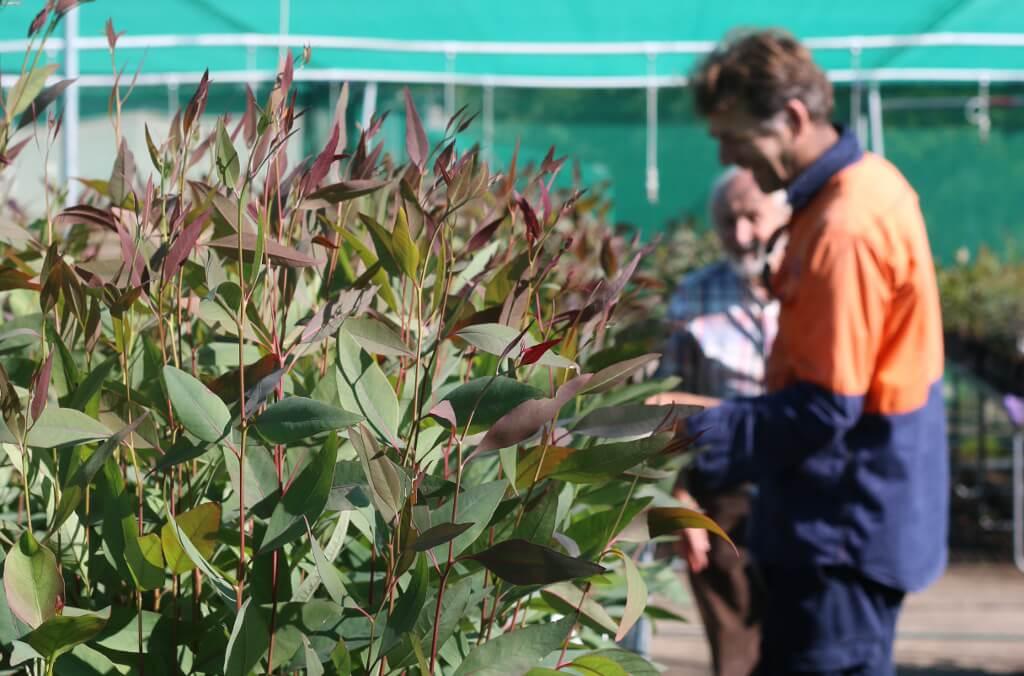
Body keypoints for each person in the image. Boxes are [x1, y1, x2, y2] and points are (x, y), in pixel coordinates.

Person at [675, 29, 949, 675]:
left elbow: (826, 407)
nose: (726, 155)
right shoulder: (856, 189)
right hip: (840, 514)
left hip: (841, 531)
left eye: (735, 137)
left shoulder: (846, 225)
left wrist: (688, 428)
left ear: (794, 119)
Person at [649, 167, 790, 675]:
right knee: (736, 655)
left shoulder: (811, 290)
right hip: (723, 497)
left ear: (784, 216)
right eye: (728, 221)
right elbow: (663, 407)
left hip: (801, 490)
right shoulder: (695, 295)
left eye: (753, 217)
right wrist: (679, 499)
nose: (741, 233)